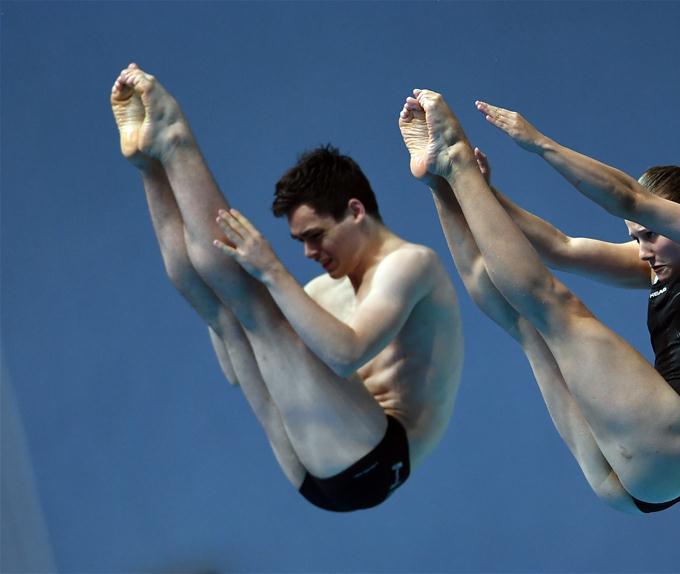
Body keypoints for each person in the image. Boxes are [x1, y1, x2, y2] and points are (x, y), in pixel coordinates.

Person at [110, 65, 463, 512]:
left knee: (256, 303)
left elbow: (347, 354)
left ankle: (176, 139)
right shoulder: (321, 293)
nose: (309, 253)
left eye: (316, 235)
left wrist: (270, 275)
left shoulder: (410, 264)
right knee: (226, 309)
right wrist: (222, 314)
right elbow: (237, 372)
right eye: (300, 242)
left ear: (356, 211)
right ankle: (151, 164)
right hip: (316, 466)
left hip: (380, 459)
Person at [399, 90, 680, 513]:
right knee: (524, 324)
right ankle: (440, 178)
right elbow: (561, 247)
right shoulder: (659, 263)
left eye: (650, 234)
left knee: (556, 308)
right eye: (635, 237)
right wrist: (478, 192)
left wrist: (541, 144)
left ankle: (454, 159)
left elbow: (629, 198)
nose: (643, 250)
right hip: (630, 480)